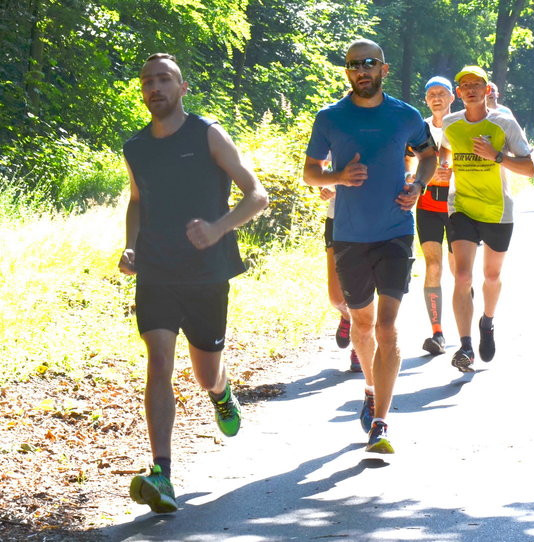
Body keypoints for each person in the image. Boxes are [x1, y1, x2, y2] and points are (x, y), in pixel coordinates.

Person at [119, 54, 268, 514]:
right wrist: (131, 246)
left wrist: (218, 228)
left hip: (206, 271)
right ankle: (162, 473)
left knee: (206, 371)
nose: (155, 87)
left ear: (182, 88)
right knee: (158, 360)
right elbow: (138, 201)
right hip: (158, 271)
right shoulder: (136, 147)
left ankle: (221, 392)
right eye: (147, 81)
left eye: (164, 79)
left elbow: (257, 195)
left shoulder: (207, 133)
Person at [303, 39, 437, 453]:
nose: (362, 70)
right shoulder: (330, 117)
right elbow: (310, 172)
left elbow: (429, 153)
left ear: (384, 69)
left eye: (369, 63)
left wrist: (418, 184)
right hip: (349, 236)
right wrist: (337, 178)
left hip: (395, 231)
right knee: (362, 324)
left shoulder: (404, 115)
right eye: (353, 65)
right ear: (346, 72)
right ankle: (368, 387)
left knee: (386, 325)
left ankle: (380, 422)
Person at [439, 66, 534, 372]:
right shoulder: (451, 124)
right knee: (463, 277)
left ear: (486, 90)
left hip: (497, 209)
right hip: (461, 207)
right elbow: (444, 149)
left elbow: (530, 168)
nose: (470, 89)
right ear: (458, 93)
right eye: (464, 85)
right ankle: (465, 347)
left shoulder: (504, 123)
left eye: (476, 85)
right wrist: (443, 166)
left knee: (491, 277)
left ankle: (487, 322)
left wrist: (496, 156)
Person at [405, 76, 456, 356]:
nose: (436, 97)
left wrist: (454, 170)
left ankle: (464, 325)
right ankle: (437, 333)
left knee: (460, 272)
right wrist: (414, 176)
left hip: (459, 206)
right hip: (428, 207)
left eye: (442, 93)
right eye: (431, 94)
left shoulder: (461, 125)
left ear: (452, 97)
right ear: (426, 99)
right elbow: (408, 163)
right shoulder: (418, 128)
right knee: (433, 266)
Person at [320, 186, 361, 372]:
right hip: (336, 218)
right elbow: (318, 171)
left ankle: (359, 347)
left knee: (363, 293)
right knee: (336, 298)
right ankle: (346, 316)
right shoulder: (334, 154)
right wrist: (325, 188)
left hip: (371, 219)